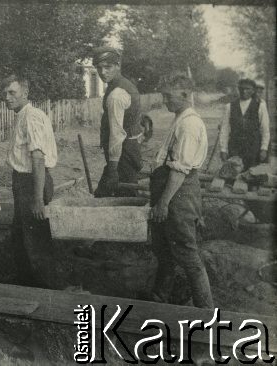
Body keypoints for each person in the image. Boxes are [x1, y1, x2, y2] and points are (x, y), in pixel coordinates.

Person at [150, 75, 213, 309]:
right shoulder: (180, 118)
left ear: (185, 95)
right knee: (165, 250)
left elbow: (179, 170)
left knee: (187, 254)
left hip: (179, 195)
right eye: (163, 94)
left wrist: (163, 203)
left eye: (168, 95)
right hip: (171, 192)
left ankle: (206, 312)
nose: (164, 100)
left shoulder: (189, 124)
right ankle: (159, 298)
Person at [3, 74, 58, 287]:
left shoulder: (31, 117)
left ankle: (47, 290)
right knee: (21, 237)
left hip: (33, 182)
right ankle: (27, 285)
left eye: (12, 93)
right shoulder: (22, 115)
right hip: (24, 181)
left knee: (36, 242)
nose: (7, 98)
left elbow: (38, 158)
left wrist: (37, 199)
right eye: (5, 94)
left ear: (25, 93)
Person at [92, 46, 143, 197]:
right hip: (128, 150)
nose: (102, 72)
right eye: (99, 68)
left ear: (118, 65)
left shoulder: (116, 95)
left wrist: (113, 170)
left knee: (124, 199)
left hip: (122, 155)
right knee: (113, 195)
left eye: (108, 67)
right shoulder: (123, 85)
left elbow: (116, 134)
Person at [219, 78, 270, 170]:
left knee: (251, 176)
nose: (244, 91)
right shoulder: (229, 106)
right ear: (238, 89)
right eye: (241, 88)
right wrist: (223, 149)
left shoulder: (260, 106)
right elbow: (225, 129)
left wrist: (264, 148)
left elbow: (265, 129)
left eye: (247, 89)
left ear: (253, 90)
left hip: (253, 148)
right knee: (232, 175)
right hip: (235, 147)